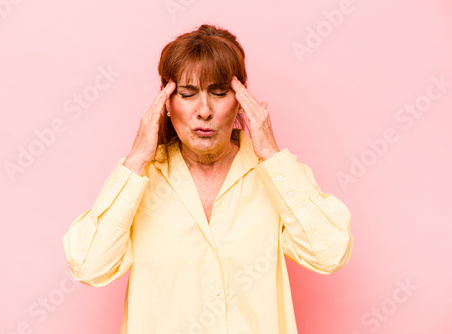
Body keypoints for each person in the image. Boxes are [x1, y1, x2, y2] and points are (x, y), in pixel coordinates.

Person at [62, 23, 353, 334]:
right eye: (187, 94)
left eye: (219, 92)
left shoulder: (276, 175)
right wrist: (136, 158)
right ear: (167, 102)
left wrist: (270, 152)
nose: (204, 110)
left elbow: (330, 254)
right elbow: (89, 266)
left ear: (240, 98)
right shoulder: (140, 178)